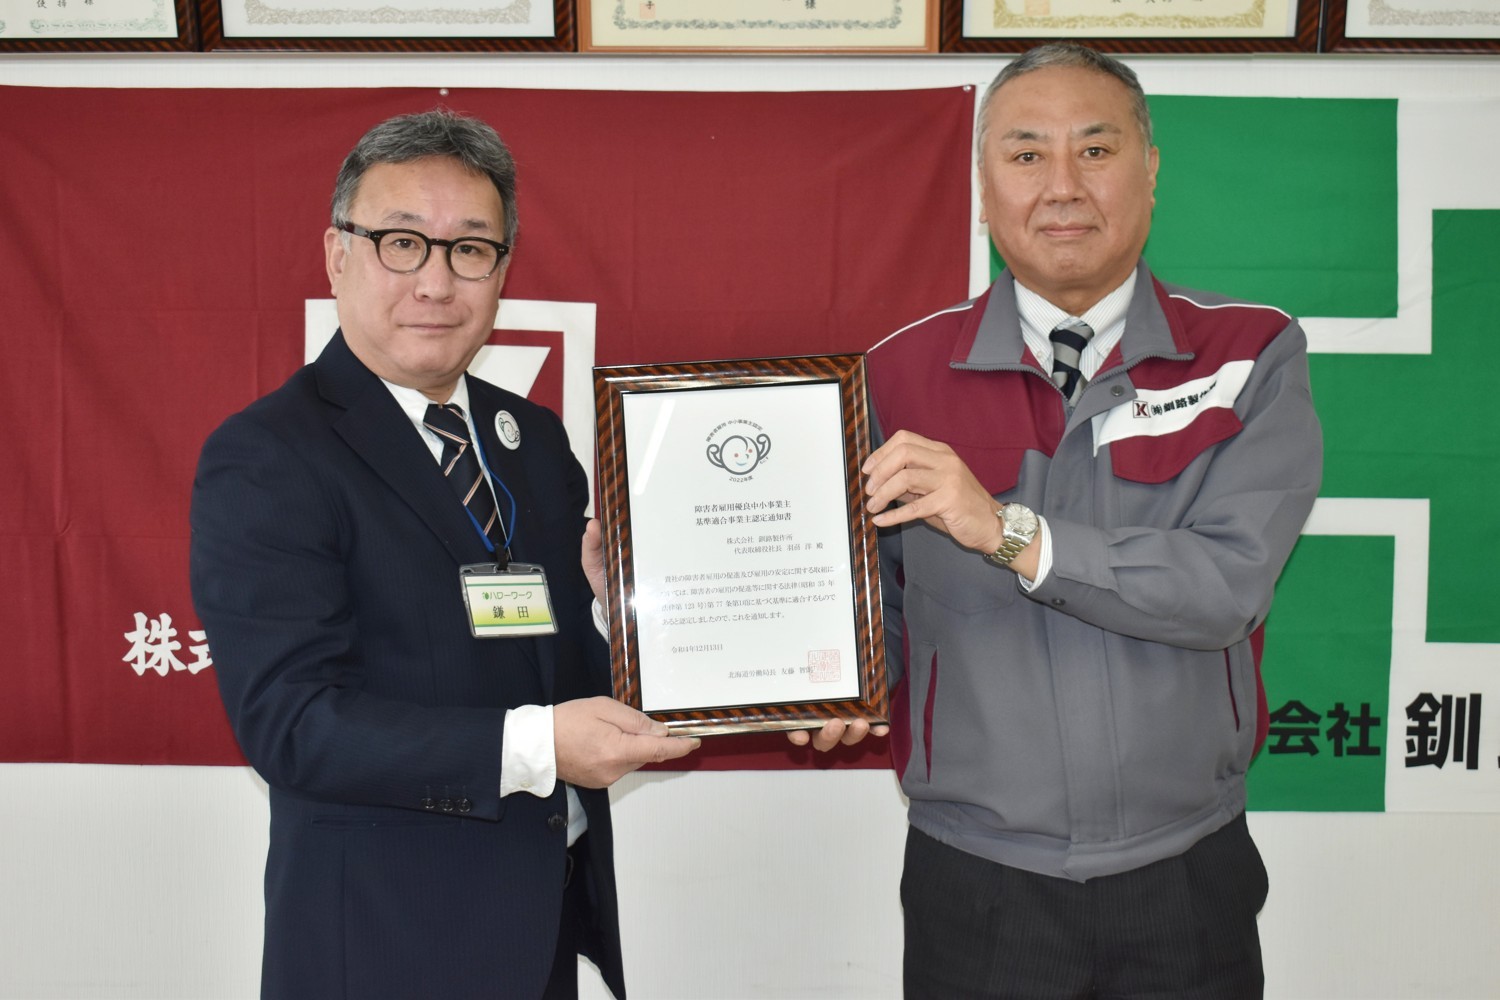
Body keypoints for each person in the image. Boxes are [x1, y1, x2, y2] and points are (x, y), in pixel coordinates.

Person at [190, 109, 697, 1000]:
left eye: (469, 249)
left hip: (539, 927)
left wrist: (711, 659)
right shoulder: (270, 454)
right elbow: (293, 723)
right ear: (337, 254)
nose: (435, 282)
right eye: (401, 243)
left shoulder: (530, 438)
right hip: (383, 943)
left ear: (502, 269)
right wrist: (540, 745)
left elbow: (560, 668)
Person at [852, 43, 1323, 996]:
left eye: (1096, 150)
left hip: (1186, 869)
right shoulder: (894, 375)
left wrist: (1010, 532)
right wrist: (829, 688)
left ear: (1151, 172)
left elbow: (1227, 584)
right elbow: (876, 613)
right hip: (974, 877)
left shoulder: (1247, 355)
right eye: (1027, 154)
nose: (1062, 185)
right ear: (983, 188)